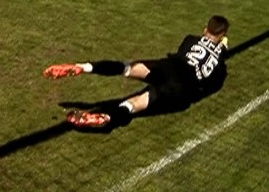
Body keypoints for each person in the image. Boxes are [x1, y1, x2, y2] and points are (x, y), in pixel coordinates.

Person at [43, 15, 230, 130]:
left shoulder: (191, 39)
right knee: (134, 104)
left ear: (205, 29)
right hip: (182, 89)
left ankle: (83, 67)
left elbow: (185, 51)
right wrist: (221, 51)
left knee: (126, 68)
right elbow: (213, 85)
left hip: (168, 67)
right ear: (222, 36)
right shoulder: (220, 66)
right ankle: (108, 117)